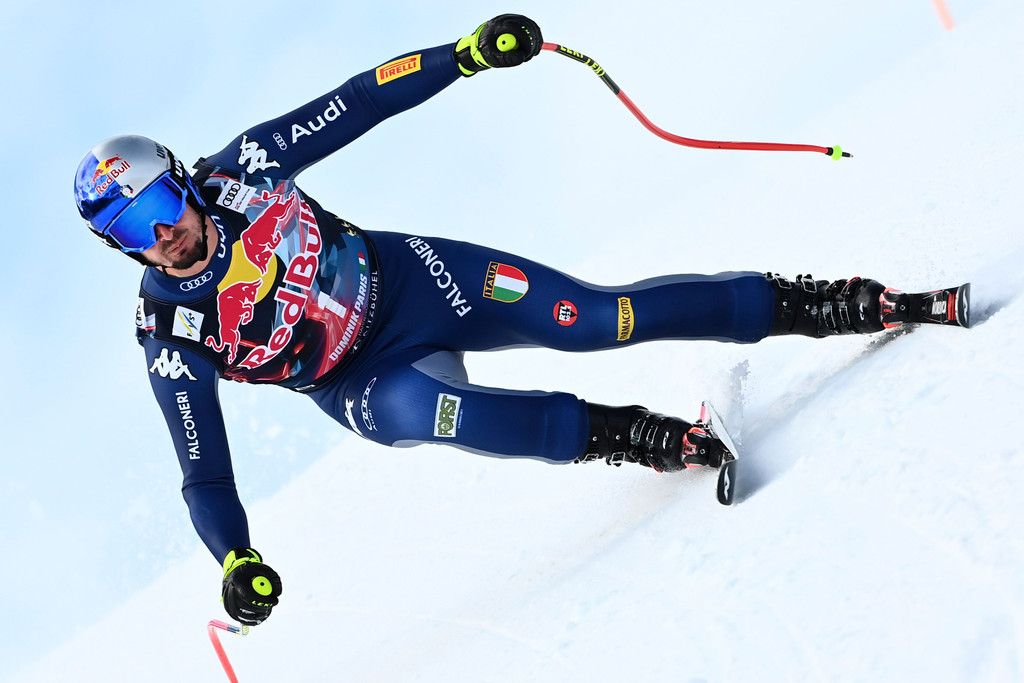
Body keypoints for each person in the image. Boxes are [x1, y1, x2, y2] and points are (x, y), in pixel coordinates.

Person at [73, 14, 967, 627]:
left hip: (417, 282)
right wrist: (236, 558)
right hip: (363, 380)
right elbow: (203, 469)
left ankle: (829, 303)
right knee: (443, 414)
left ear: (181, 178)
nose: (163, 236)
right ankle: (642, 436)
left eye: (159, 206)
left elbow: (360, 98)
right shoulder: (169, 333)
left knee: (596, 317)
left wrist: (463, 55)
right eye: (132, 231)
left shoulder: (245, 170)